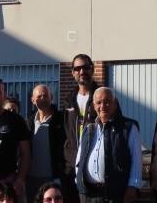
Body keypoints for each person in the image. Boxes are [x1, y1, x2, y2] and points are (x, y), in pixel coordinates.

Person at [75, 87, 142, 203]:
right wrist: (78, 181)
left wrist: (132, 187)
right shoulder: (88, 128)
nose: (103, 106)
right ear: (93, 105)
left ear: (114, 104)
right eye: (99, 102)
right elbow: (79, 159)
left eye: (107, 102)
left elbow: (136, 160)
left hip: (114, 194)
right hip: (88, 195)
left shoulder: (128, 127)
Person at [64, 54, 99, 202]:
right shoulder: (69, 100)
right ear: (73, 72)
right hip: (72, 167)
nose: (82, 71)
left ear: (92, 69)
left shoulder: (102, 96)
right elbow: (65, 133)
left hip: (94, 167)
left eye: (85, 67)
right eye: (77, 68)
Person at [26, 85, 66, 203]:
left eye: (45, 95)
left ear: (51, 98)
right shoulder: (29, 122)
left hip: (53, 178)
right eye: (39, 96)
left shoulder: (61, 120)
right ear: (32, 100)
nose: (42, 98)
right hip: (31, 179)